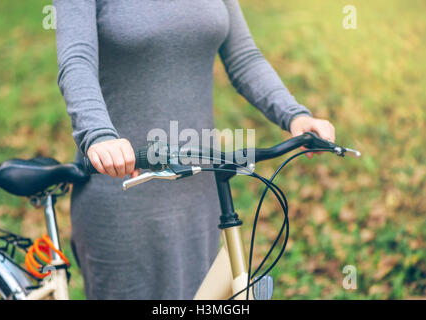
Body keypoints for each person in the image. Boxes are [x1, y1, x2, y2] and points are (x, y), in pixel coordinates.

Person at [54, 0, 335, 299]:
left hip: (200, 185)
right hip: (124, 183)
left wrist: (294, 115)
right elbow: (76, 60)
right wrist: (98, 134)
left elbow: (244, 58)